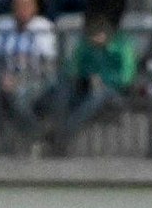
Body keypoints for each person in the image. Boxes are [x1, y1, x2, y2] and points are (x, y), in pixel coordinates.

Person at [43, 12, 137, 150]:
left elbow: (126, 78)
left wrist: (103, 80)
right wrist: (85, 77)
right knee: (63, 89)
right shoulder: (85, 47)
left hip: (115, 94)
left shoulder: (122, 48)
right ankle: (53, 129)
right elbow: (71, 69)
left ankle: (61, 135)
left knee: (99, 94)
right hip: (86, 89)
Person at [0, 0, 59, 145]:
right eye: (18, 4)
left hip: (36, 77)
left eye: (27, 4)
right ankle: (1, 138)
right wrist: (3, 76)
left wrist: (20, 79)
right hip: (5, 77)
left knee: (19, 98)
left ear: (35, 7)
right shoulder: (3, 27)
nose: (22, 8)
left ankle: (39, 138)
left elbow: (46, 64)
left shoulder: (43, 28)